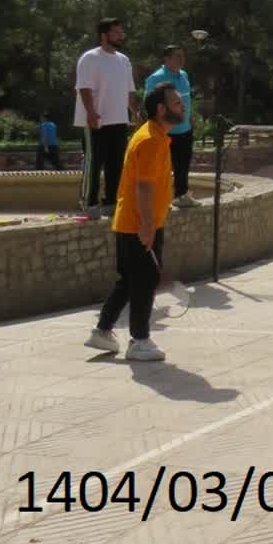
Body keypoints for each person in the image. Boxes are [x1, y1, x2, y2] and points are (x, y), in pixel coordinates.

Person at [84, 81, 185, 362]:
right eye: (177, 103)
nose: (183, 107)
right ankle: (140, 341)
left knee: (129, 281)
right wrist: (148, 226)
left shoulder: (155, 136)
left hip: (132, 222)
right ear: (161, 109)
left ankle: (102, 331)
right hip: (139, 223)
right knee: (144, 282)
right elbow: (143, 186)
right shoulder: (151, 139)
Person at [74, 18, 139, 217]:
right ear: (104, 35)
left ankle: (111, 202)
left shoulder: (124, 60)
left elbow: (129, 90)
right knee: (94, 163)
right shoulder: (90, 58)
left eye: (121, 32)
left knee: (116, 163)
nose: (121, 36)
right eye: (116, 32)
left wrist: (134, 112)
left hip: (119, 120)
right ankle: (89, 203)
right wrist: (91, 112)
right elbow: (84, 87)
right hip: (96, 121)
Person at [145, 45, 196, 208]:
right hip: (165, 131)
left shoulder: (184, 75)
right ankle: (158, 199)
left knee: (183, 165)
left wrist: (190, 117)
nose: (181, 59)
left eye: (182, 56)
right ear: (166, 59)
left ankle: (182, 195)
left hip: (185, 129)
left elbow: (186, 100)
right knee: (161, 166)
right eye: (177, 56)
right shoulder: (155, 78)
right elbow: (149, 105)